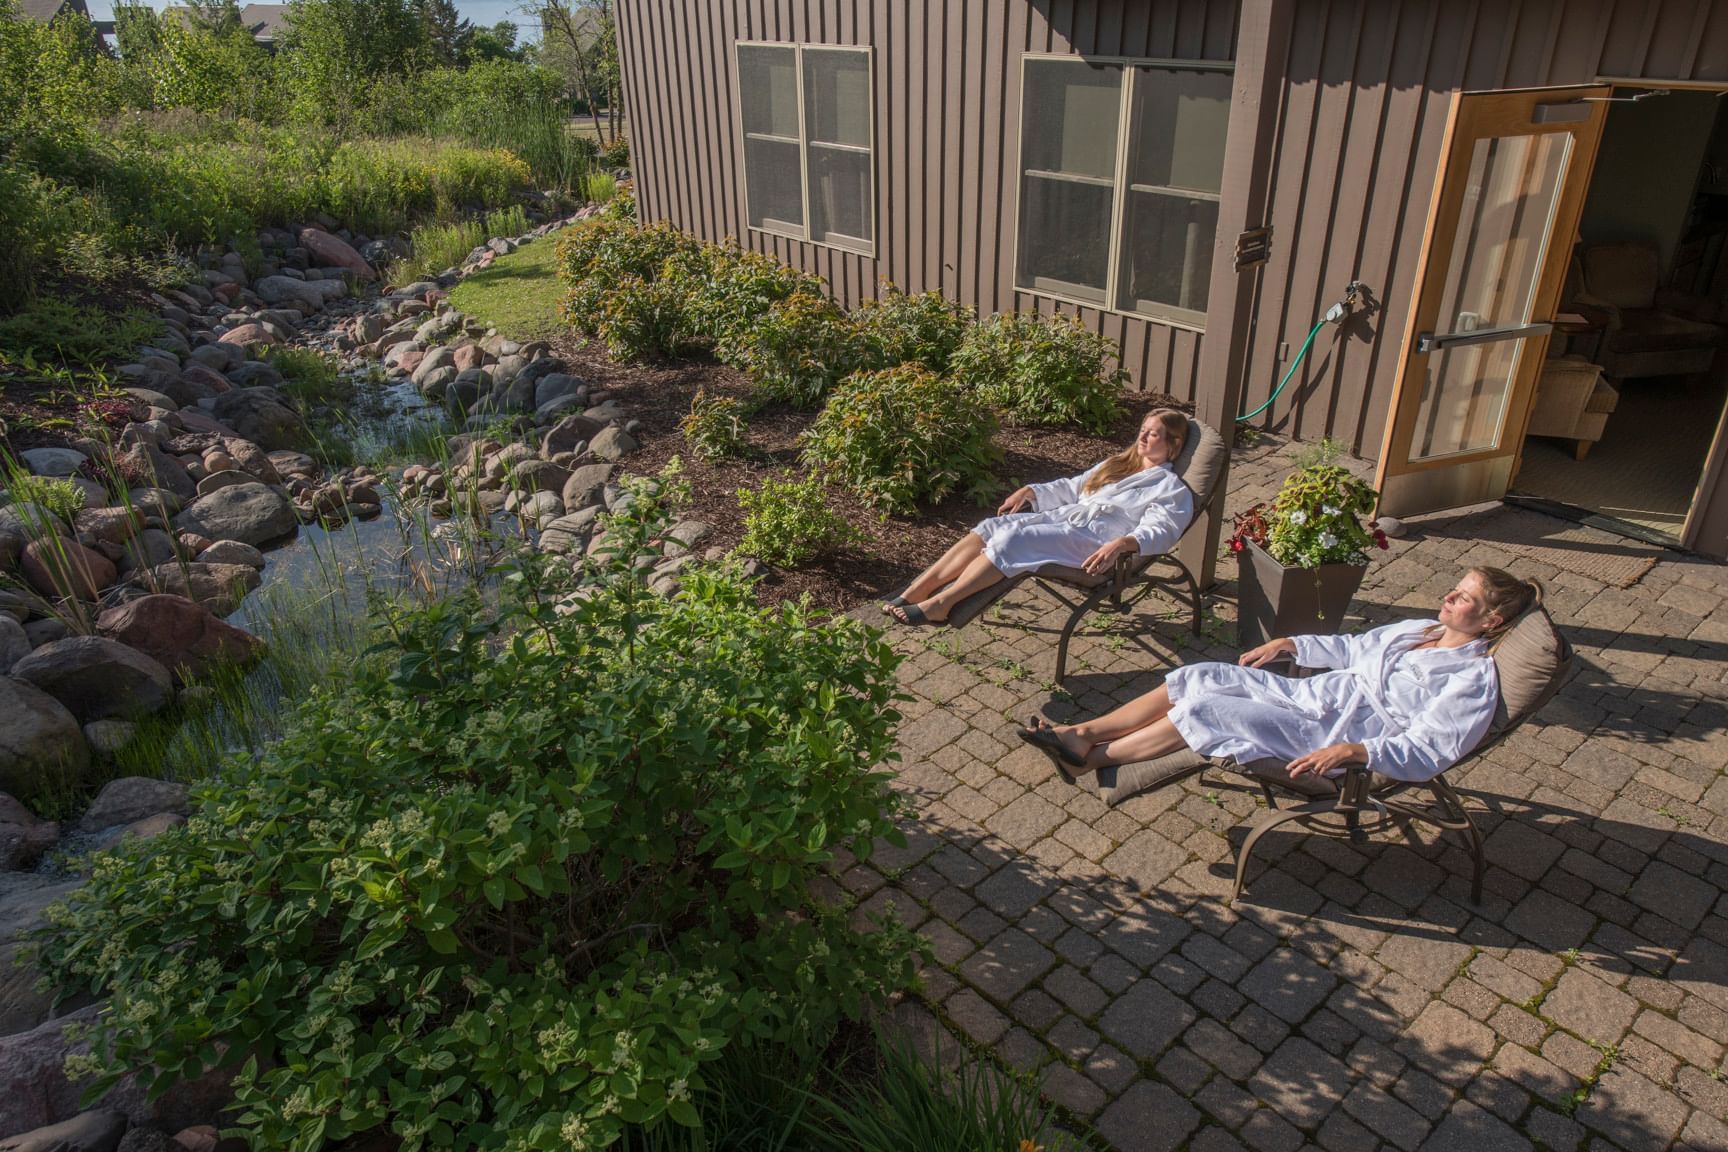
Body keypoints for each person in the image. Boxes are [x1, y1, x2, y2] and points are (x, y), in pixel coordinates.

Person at [1017, 567, 1543, 786]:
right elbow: (1354, 647)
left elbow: (1432, 748)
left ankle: (1090, 762)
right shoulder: (1419, 630)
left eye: (1463, 597)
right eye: (1455, 588)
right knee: (1201, 674)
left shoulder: (1471, 679)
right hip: (1312, 695)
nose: (1449, 597)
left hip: (1334, 736)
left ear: (1492, 621)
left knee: (1204, 709)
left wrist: (1359, 753)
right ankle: (1082, 734)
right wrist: (1292, 643)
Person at [883, 409, 1195, 625]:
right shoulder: (1118, 463)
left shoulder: (1170, 488)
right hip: (1067, 523)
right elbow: (1075, 487)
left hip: (1095, 543)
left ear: (1174, 444)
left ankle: (941, 604)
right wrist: (1031, 491)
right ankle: (916, 591)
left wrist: (1124, 543)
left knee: (1016, 538)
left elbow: (1163, 529)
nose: (1143, 438)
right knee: (991, 527)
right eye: (1143, 431)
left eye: (1154, 434)